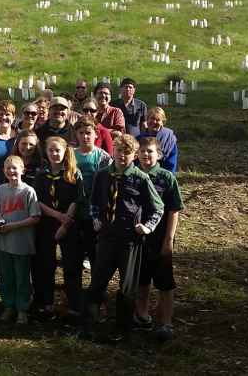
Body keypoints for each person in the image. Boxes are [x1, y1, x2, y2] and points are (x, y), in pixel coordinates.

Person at [86, 134, 163, 341]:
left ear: (135, 155)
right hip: (106, 237)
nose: (122, 155)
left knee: (127, 287)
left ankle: (122, 330)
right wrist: (95, 219)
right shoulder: (102, 175)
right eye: (119, 151)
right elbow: (93, 202)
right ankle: (90, 325)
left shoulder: (140, 178)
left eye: (127, 152)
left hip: (129, 239)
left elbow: (158, 208)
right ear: (113, 151)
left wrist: (147, 227)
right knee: (97, 281)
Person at [134, 137, 183, 341]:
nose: (146, 155)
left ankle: (166, 322)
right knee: (141, 280)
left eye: (151, 152)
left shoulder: (166, 177)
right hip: (138, 239)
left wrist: (168, 240)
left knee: (164, 282)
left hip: (159, 238)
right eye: (143, 151)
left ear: (160, 155)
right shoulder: (131, 175)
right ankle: (142, 316)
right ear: (137, 154)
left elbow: (173, 210)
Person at [32, 137, 87, 319]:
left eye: (58, 150)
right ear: (46, 152)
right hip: (47, 223)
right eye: (51, 150)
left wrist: (65, 222)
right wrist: (57, 216)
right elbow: (37, 201)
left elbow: (77, 199)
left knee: (72, 264)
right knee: (45, 265)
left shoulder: (73, 173)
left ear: (65, 152)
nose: (54, 154)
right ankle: (46, 304)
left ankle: (74, 306)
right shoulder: (41, 174)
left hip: (69, 224)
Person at [0, 155, 41, 325]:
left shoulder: (28, 191)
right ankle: (8, 306)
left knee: (22, 277)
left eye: (15, 167)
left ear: (23, 170)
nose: (11, 171)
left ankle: (22, 309)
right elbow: (0, 212)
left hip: (21, 242)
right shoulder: (0, 189)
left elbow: (35, 217)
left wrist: (13, 226)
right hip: (3, 241)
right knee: (6, 276)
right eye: (8, 168)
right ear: (3, 171)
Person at [73, 117, 113, 196]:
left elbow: (108, 180)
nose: (85, 136)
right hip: (74, 197)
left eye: (88, 133)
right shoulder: (71, 154)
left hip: (96, 197)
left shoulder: (103, 157)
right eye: (81, 133)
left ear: (96, 134)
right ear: (76, 134)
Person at [138, 106, 178, 173]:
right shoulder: (139, 138)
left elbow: (171, 162)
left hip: (162, 175)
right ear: (147, 120)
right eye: (152, 118)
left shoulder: (169, 138)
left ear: (163, 122)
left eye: (158, 120)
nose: (154, 122)